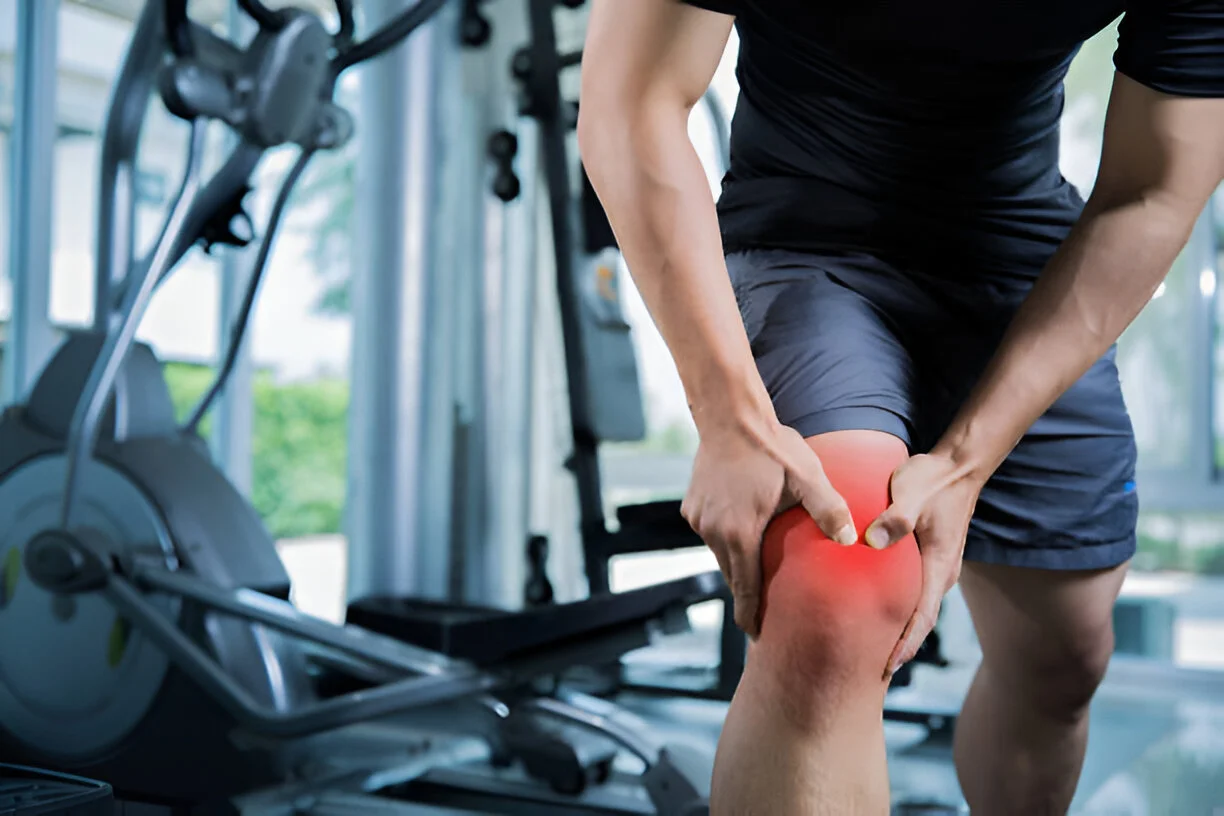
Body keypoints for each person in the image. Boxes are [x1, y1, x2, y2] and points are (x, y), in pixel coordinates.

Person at [577, 1, 1224, 813]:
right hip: (807, 240)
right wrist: (731, 417)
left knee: (1061, 664)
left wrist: (965, 460)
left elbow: (1152, 189)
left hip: (1020, 260)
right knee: (835, 591)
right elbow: (630, 98)